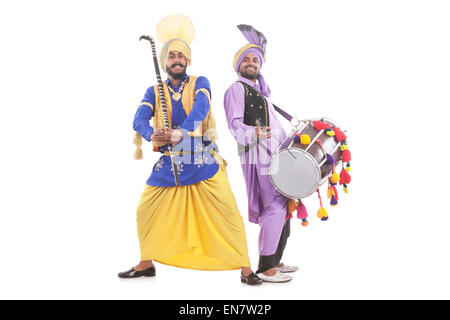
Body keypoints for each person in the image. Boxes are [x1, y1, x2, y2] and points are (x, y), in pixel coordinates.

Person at [118, 15, 261, 285]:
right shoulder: (153, 91)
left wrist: (179, 132)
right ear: (164, 61)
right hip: (170, 163)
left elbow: (201, 109)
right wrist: (155, 135)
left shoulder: (200, 82)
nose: (176, 59)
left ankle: (245, 266)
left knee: (228, 211)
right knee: (144, 210)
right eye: (171, 55)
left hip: (203, 158)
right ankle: (147, 263)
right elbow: (138, 120)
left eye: (181, 55)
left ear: (187, 59)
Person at [223, 24, 299, 283]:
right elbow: (234, 125)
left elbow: (275, 126)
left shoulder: (263, 95)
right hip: (257, 155)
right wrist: (253, 134)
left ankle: (275, 259)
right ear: (239, 65)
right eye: (247, 59)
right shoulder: (236, 89)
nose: (252, 63)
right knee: (273, 205)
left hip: (274, 154)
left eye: (256, 59)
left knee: (285, 203)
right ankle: (265, 267)